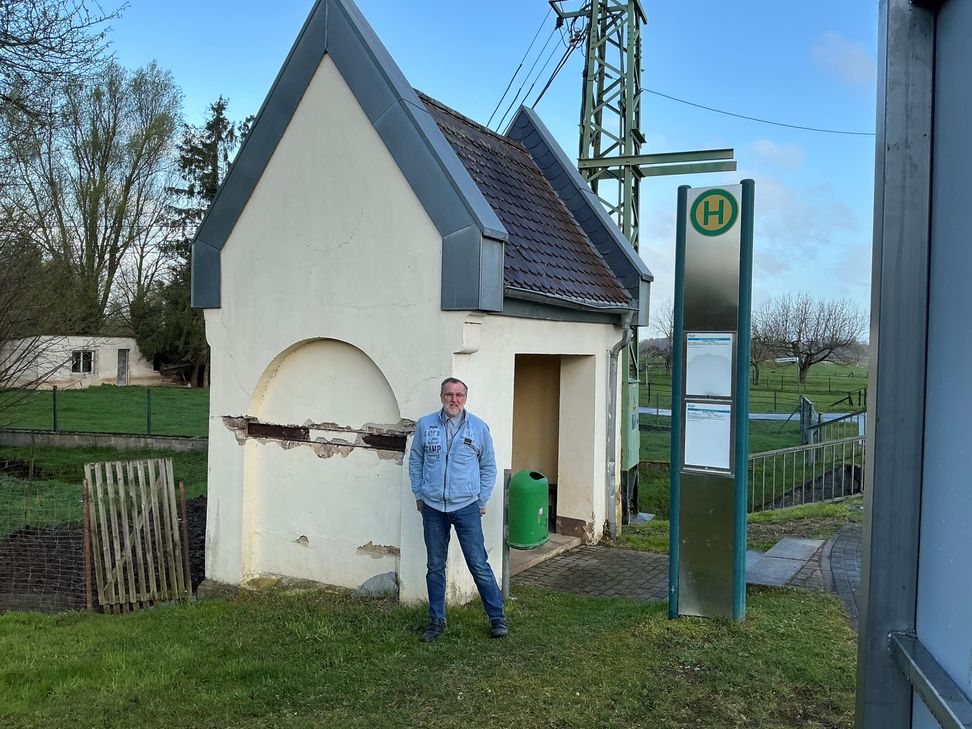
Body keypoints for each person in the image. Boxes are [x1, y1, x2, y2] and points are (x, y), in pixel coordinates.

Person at [408, 377, 508, 641]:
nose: (454, 399)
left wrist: (482, 500)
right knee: (435, 566)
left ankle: (497, 618)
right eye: (449, 394)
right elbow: (415, 460)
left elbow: (489, 467)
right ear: (441, 396)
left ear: (466, 398)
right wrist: (419, 493)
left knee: (478, 564)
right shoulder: (425, 425)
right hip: (432, 507)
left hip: (466, 507)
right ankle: (436, 621)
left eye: (459, 395)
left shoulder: (478, 428)